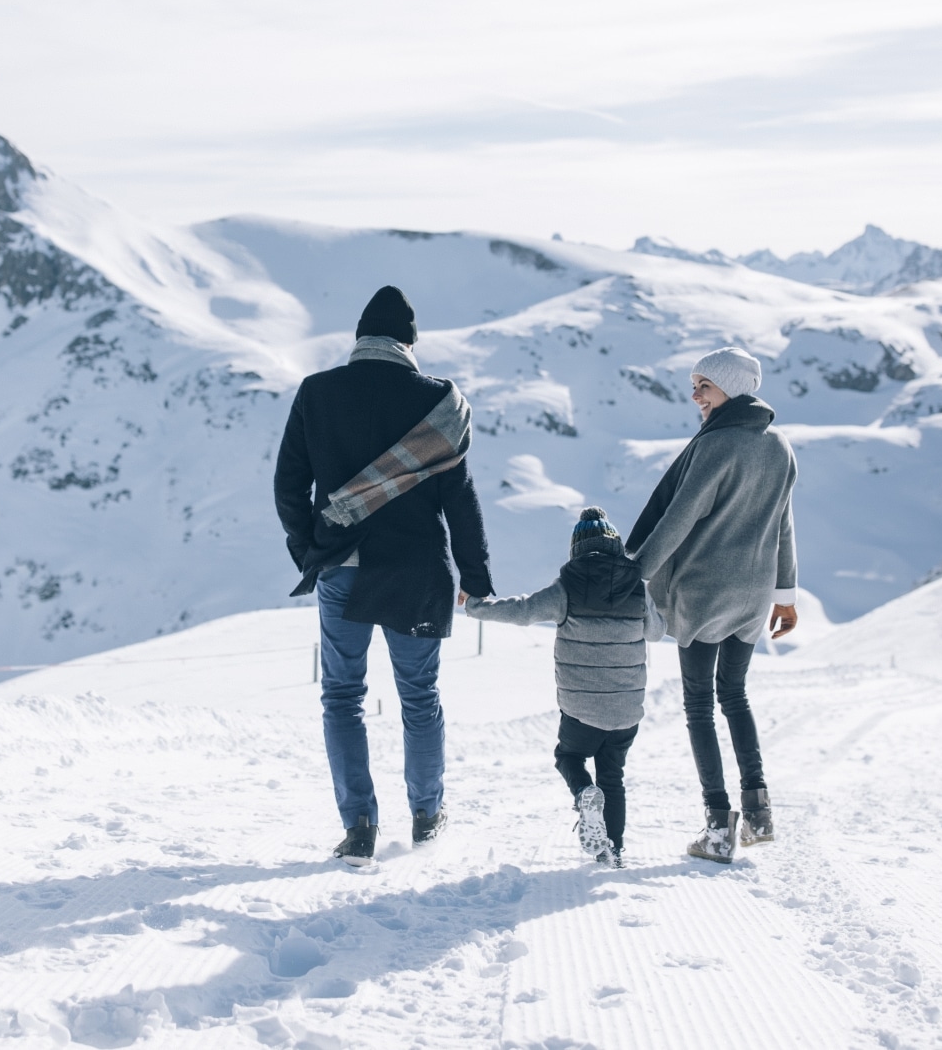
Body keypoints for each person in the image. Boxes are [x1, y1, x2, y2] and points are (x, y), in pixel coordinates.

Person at [273, 285, 495, 865]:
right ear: (409, 343)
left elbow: (287, 485)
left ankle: (360, 826)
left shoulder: (317, 393)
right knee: (419, 697)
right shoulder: (439, 405)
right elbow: (461, 501)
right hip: (417, 573)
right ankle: (427, 815)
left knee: (342, 697)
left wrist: (311, 548)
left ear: (358, 341)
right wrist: (477, 576)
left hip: (342, 569)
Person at [624, 347, 798, 864]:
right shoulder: (779, 446)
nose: (695, 395)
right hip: (753, 594)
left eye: (705, 385)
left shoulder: (716, 444)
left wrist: (634, 575)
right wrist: (784, 595)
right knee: (736, 697)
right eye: (695, 384)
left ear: (733, 389)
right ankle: (759, 812)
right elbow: (782, 525)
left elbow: (679, 516)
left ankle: (718, 826)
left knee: (700, 705)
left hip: (704, 591)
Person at [462, 507, 663, 868]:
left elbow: (523, 611)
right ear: (617, 547)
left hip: (581, 710)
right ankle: (611, 851)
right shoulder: (637, 587)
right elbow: (657, 632)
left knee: (568, 757)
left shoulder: (568, 587)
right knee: (613, 776)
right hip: (626, 711)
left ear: (577, 549)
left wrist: (477, 607)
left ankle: (584, 791)